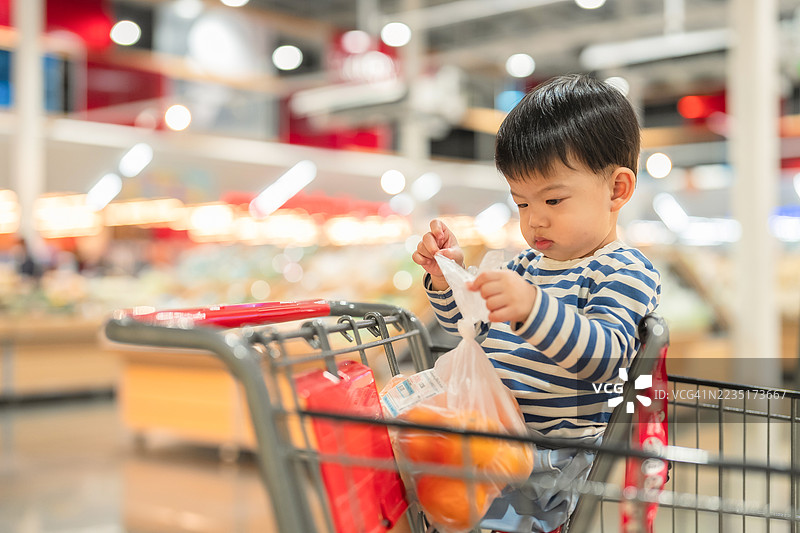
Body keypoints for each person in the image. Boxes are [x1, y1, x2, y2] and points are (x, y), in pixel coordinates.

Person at [411, 73, 661, 533]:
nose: (534, 219)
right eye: (521, 203)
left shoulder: (623, 271)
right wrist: (448, 280)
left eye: (552, 199)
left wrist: (532, 309)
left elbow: (605, 358)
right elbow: (472, 327)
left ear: (617, 190)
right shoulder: (525, 264)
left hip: (552, 462)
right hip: (490, 436)